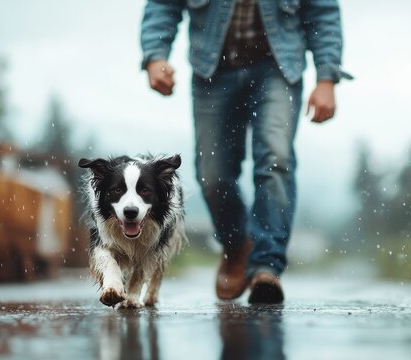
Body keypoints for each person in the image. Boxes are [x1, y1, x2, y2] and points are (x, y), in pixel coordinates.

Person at [141, 0, 350, 304]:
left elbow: (322, 9)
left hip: (277, 68)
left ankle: (267, 266)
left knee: (275, 160)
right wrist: (155, 55)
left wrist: (327, 77)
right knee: (212, 175)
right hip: (213, 70)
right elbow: (163, 4)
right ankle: (237, 245)